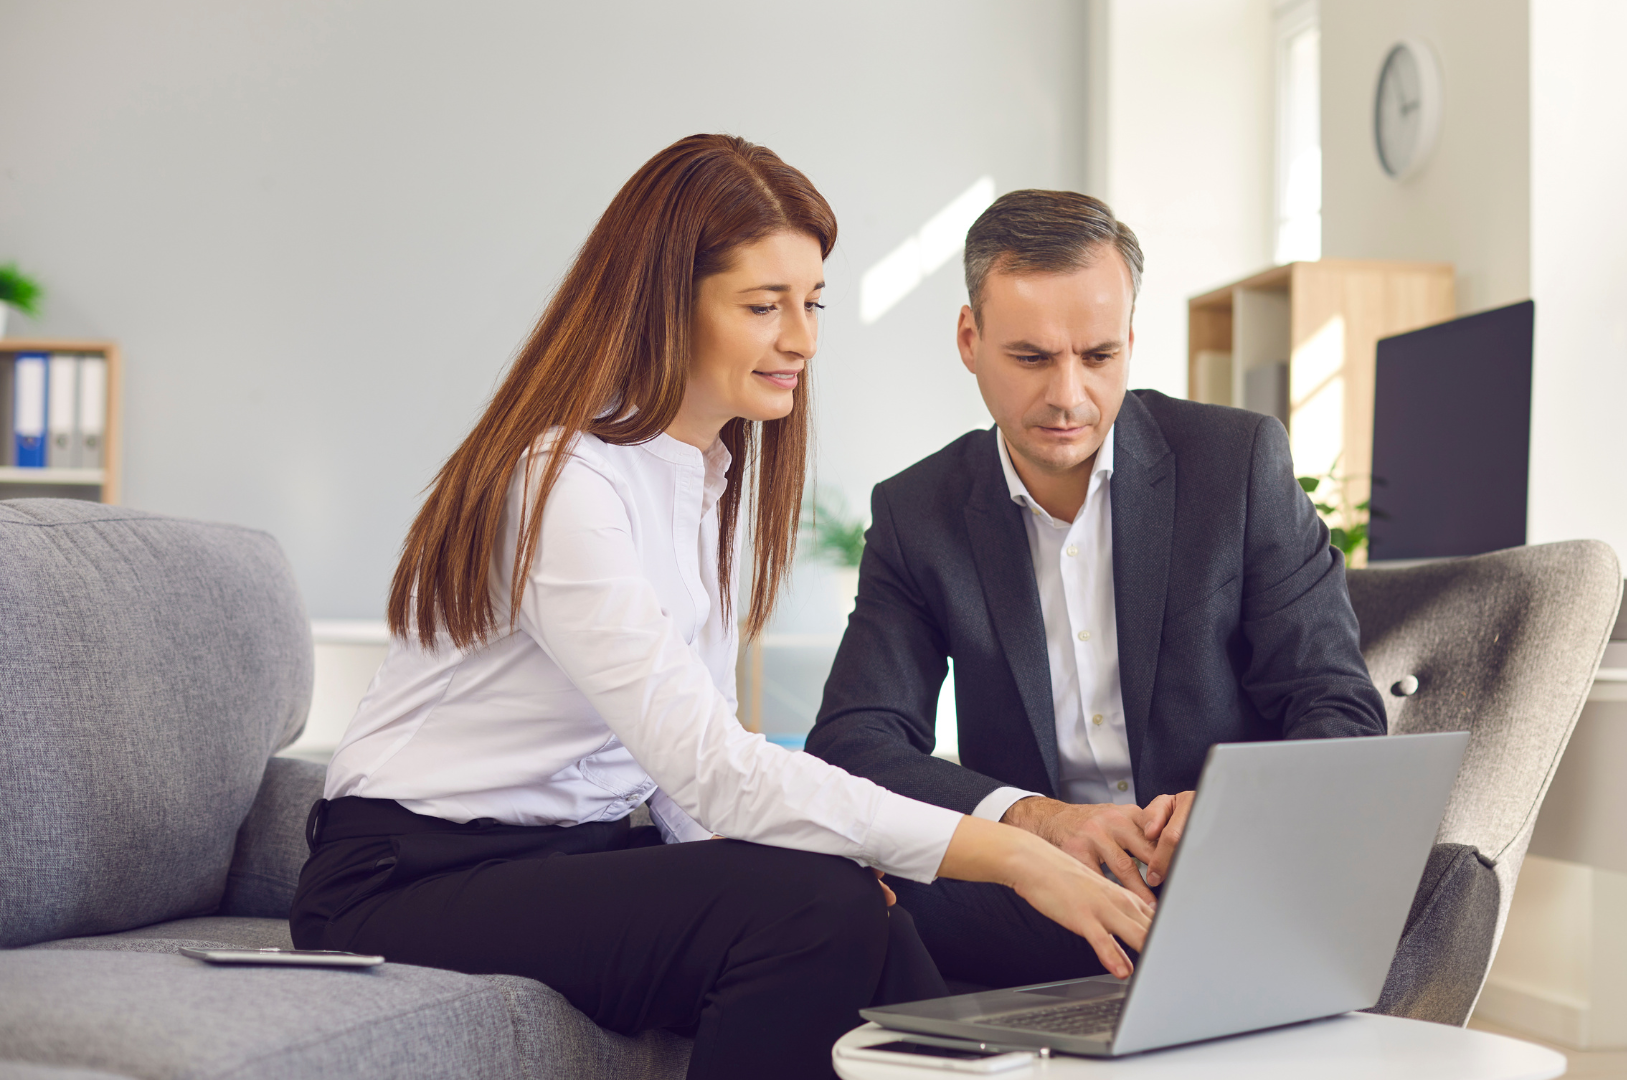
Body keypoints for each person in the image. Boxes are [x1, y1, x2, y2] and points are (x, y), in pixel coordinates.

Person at [289, 139, 1152, 1080]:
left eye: (812, 302)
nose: (804, 339)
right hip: (406, 879)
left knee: (849, 912)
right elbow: (710, 769)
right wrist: (1011, 853)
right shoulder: (559, 482)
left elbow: (680, 783)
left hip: (573, 857)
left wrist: (830, 857)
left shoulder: (709, 474)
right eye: (762, 306)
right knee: (811, 908)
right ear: (666, 304)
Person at [805, 189, 1389, 990]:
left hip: (1220, 884)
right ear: (970, 340)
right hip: (1032, 897)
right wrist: (1033, 822)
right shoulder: (918, 513)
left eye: (1098, 356)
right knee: (818, 900)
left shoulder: (1237, 464)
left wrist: (1227, 809)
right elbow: (853, 741)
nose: (1069, 396)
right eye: (1032, 357)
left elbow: (1340, 708)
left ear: (1130, 341)